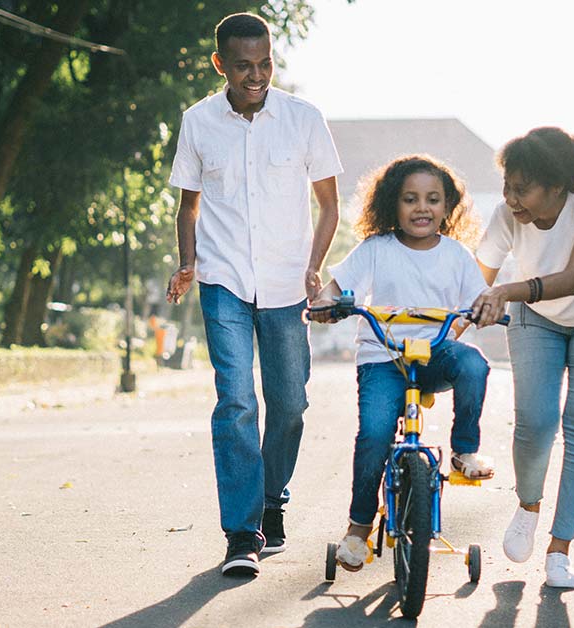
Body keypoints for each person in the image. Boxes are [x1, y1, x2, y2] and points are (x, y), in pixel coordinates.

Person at [165, 12, 343, 577]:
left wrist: (315, 267)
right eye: (244, 66)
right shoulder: (197, 122)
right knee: (237, 401)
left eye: (265, 63)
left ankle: (272, 501)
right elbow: (188, 206)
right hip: (223, 282)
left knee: (290, 404)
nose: (257, 75)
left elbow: (329, 204)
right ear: (220, 64)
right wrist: (188, 264)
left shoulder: (303, 119)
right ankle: (242, 532)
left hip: (288, 284)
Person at [307, 155, 494, 572]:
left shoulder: (457, 255)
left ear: (448, 208)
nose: (421, 208)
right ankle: (358, 528)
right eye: (410, 199)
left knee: (475, 365)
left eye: (432, 199)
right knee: (374, 434)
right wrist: (325, 302)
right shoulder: (376, 249)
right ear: (393, 204)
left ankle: (464, 451)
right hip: (383, 358)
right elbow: (337, 287)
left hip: (434, 354)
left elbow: (479, 299)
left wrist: (487, 309)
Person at [469, 127, 574, 589]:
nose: (510, 198)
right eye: (507, 185)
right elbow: (475, 282)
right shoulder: (507, 216)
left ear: (558, 185)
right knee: (536, 421)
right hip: (536, 319)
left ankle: (560, 549)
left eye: (522, 188)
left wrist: (506, 290)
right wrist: (453, 324)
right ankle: (528, 506)